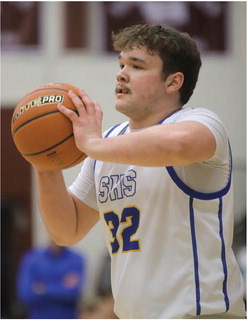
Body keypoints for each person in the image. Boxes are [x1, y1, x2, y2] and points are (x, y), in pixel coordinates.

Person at [34, 24, 245, 318]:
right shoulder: (107, 144)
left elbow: (180, 145)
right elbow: (66, 231)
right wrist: (46, 166)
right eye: (121, 64)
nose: (121, 73)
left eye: (136, 65)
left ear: (173, 82)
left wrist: (93, 143)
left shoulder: (202, 123)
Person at [16, 240, 86, 319]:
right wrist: (61, 286)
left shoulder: (77, 259)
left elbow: (72, 294)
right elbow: (25, 295)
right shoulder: (31, 259)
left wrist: (43, 288)